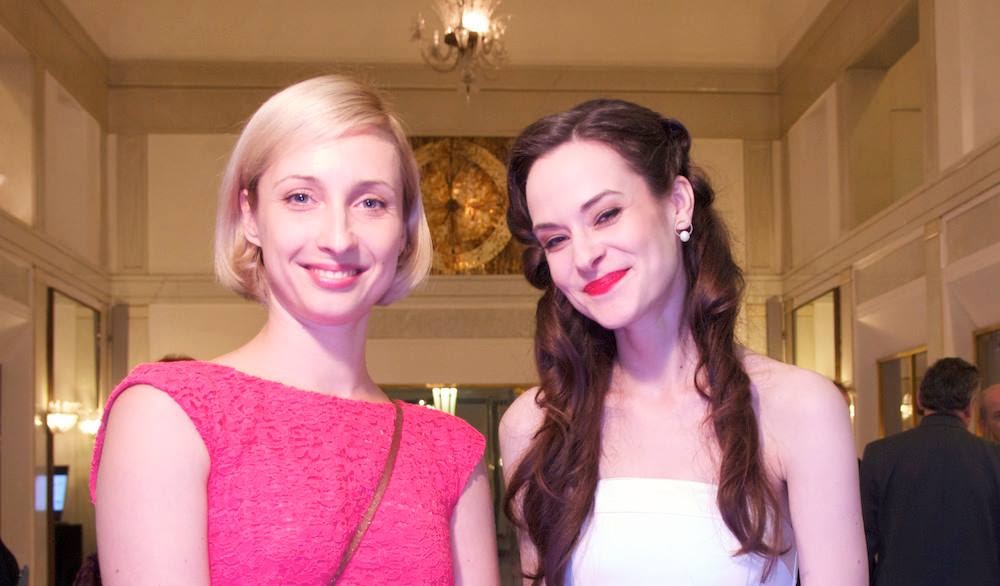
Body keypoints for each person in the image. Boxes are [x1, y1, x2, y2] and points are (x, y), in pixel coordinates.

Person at [91, 75, 499, 585]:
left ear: (405, 231)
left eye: (371, 203)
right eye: (301, 197)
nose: (338, 237)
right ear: (250, 216)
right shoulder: (170, 412)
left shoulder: (450, 450)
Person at [499, 99, 865, 586]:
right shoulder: (534, 426)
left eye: (606, 215)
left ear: (677, 203)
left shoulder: (798, 408)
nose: (584, 256)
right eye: (556, 239)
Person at [860, 357, 1000, 585]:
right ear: (970, 406)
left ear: (919, 399)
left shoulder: (880, 454)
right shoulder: (994, 458)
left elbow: (862, 543)